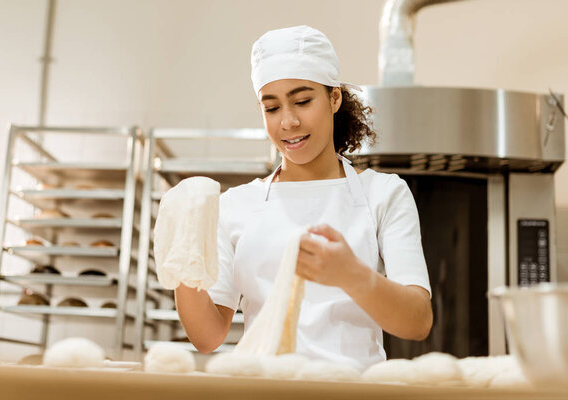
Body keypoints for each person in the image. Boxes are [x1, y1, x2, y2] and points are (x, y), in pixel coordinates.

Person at [175, 25, 432, 370]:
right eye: (272, 108)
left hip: (350, 390)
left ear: (334, 98)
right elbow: (208, 336)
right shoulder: (236, 205)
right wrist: (180, 256)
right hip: (260, 390)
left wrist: (350, 274)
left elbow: (417, 321)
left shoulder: (383, 194)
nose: (288, 122)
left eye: (302, 101)